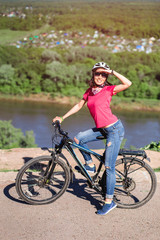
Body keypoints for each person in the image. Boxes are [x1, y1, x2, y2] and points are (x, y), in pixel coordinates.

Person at [53, 62, 132, 215]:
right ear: (93, 75)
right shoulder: (90, 91)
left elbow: (128, 83)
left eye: (104, 74)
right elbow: (78, 105)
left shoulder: (109, 89)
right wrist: (62, 117)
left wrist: (113, 71)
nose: (100, 77)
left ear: (106, 76)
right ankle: (89, 165)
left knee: (109, 167)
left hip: (114, 130)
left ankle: (109, 202)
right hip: (102, 129)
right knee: (78, 139)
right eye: (98, 74)